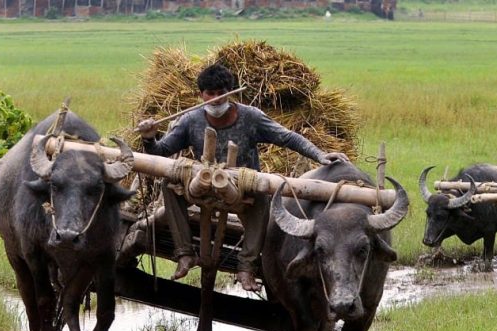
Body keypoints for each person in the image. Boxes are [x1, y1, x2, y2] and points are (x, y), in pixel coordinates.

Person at [137, 63, 348, 290]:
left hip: (244, 188)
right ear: (201, 95)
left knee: (263, 193)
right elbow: (160, 153)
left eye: (221, 93)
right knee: (170, 184)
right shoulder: (190, 120)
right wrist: (149, 138)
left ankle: (246, 267)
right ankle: (185, 254)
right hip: (203, 181)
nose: (216, 99)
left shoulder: (251, 117)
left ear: (232, 93)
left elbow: (288, 138)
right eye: (210, 94)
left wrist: (320, 155)